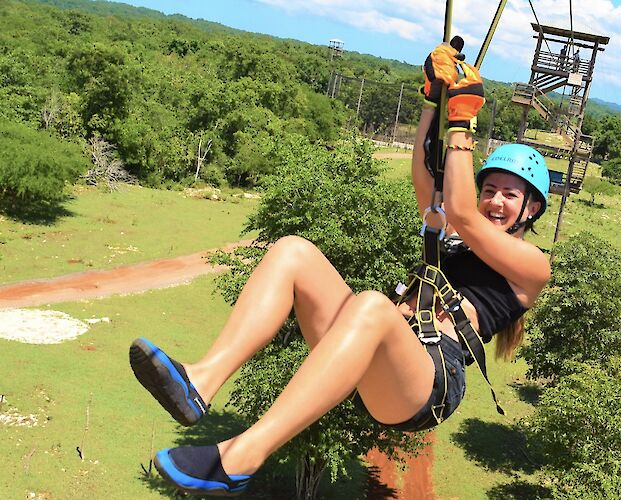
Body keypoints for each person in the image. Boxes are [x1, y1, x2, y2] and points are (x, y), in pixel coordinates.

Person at [127, 42, 551, 496]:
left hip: (430, 378)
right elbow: (426, 180)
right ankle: (201, 381)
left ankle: (242, 455)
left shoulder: (531, 267)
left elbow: (464, 213)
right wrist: (434, 100)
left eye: (510, 194)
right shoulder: (457, 236)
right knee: (293, 251)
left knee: (371, 305)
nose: (496, 201)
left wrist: (463, 120)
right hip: (377, 355)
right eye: (490, 189)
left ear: (532, 209)